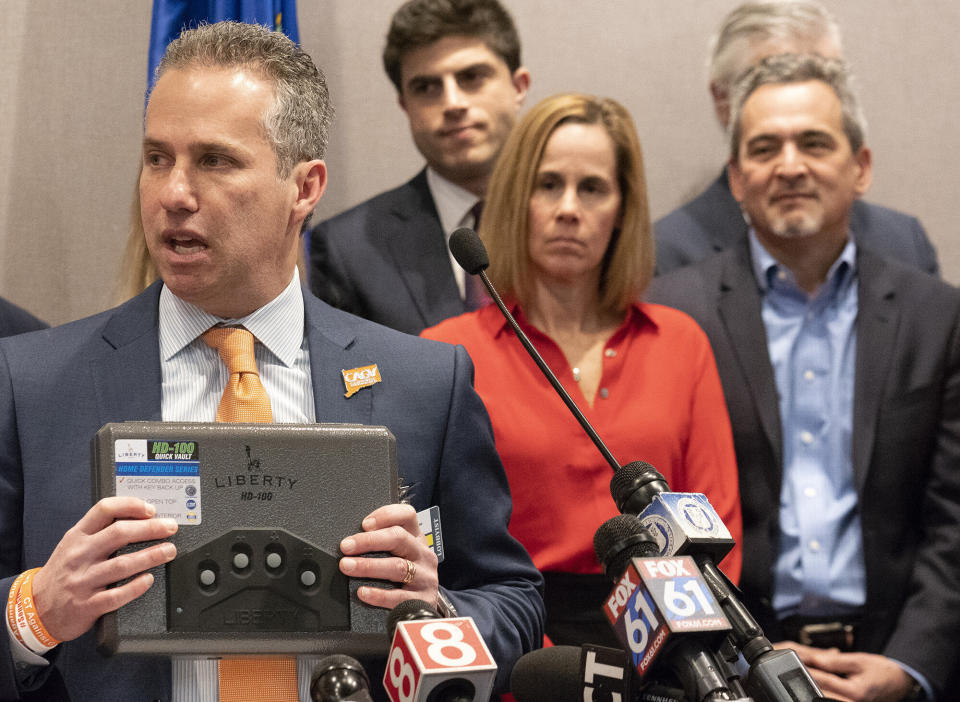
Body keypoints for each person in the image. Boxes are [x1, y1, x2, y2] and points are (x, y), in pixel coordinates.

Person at [0, 21, 543, 700]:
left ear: (305, 187)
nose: (173, 193)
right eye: (157, 158)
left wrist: (430, 612)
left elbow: (513, 599)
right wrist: (35, 610)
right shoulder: (30, 384)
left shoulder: (427, 385)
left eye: (215, 160)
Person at [649, 54, 960, 701]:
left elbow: (953, 519)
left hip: (889, 661)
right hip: (733, 668)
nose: (789, 165)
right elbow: (658, 518)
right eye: (765, 148)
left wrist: (909, 667)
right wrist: (740, 655)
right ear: (737, 178)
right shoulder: (673, 314)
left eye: (814, 143)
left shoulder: (939, 317)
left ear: (861, 167)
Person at [422, 93, 742, 648]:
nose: (568, 207)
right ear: (516, 199)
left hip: (673, 641)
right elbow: (443, 555)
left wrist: (686, 649)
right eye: (548, 185)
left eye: (592, 188)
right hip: (517, 640)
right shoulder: (448, 353)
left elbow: (719, 535)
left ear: (622, 210)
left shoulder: (680, 342)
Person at [653, 0, 938, 276]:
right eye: (768, 79)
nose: (799, 99)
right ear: (722, 101)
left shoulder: (903, 243)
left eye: (825, 78)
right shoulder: (666, 255)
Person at [309, 0, 531, 335]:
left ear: (519, 87)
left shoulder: (590, 223)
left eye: (472, 77)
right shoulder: (347, 249)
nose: (453, 103)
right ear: (404, 106)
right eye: (426, 88)